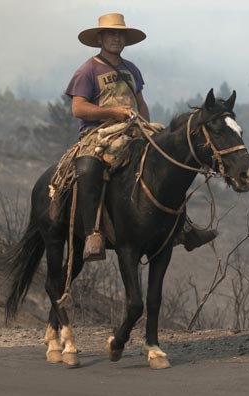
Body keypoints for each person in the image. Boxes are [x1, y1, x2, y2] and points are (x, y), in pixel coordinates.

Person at [65, 13, 217, 261]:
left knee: (167, 163)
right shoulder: (87, 70)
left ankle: (183, 227)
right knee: (89, 167)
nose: (116, 38)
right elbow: (78, 108)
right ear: (100, 37)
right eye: (111, 33)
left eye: (120, 33)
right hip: (98, 134)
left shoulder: (131, 69)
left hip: (134, 130)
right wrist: (112, 112)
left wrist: (145, 125)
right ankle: (93, 232)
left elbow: (140, 103)